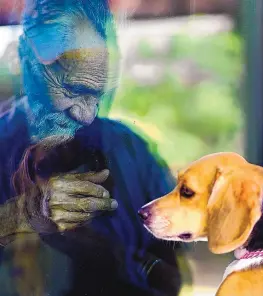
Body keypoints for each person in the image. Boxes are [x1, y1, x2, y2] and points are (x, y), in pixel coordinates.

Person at [0, 0, 191, 295]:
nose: (87, 115)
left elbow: (174, 276)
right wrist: (21, 216)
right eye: (72, 89)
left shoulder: (131, 150)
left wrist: (115, 258)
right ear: (24, 60)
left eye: (97, 95)